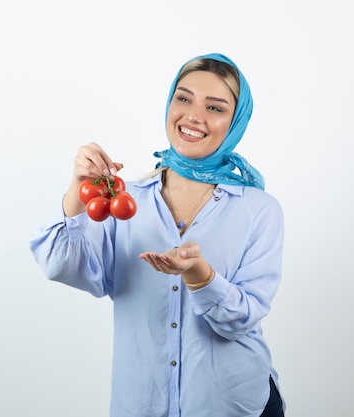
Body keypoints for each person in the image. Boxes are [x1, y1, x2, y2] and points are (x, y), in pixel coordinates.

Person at [29, 53, 285, 417]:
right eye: (184, 98)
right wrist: (78, 188)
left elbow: (242, 318)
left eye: (215, 107)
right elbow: (58, 265)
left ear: (235, 122)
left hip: (233, 407)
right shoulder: (123, 201)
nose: (194, 115)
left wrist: (200, 276)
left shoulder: (260, 210)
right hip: (142, 405)